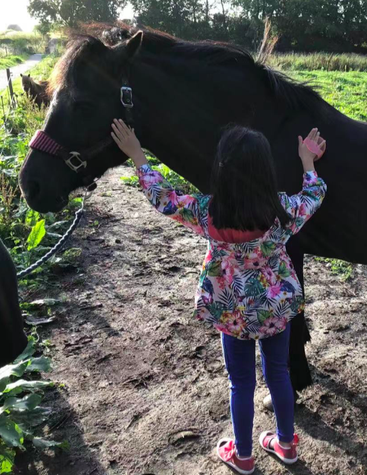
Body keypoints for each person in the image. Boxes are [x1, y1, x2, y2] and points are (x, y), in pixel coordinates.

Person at [111, 119, 327, 474]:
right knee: (279, 373)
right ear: (266, 170)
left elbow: (163, 198)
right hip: (274, 309)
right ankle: (286, 446)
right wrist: (307, 161)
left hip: (230, 312)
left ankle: (242, 456)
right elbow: (314, 194)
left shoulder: (206, 211)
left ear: (222, 169)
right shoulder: (283, 211)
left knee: (240, 382)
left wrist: (137, 156)